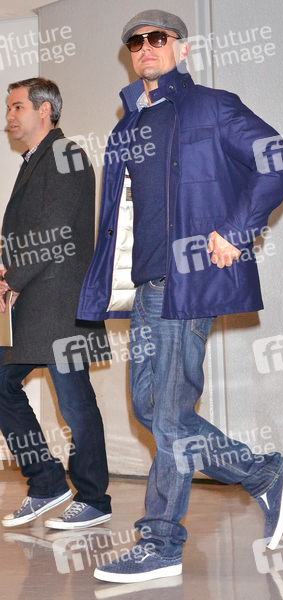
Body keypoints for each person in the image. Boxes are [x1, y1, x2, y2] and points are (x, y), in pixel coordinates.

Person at [77, 10, 283, 583]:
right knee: (151, 409)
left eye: (158, 38)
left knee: (170, 414)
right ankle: (260, 471)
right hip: (146, 284)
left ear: (182, 48)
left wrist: (238, 229)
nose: (145, 47)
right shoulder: (127, 125)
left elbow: (277, 158)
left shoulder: (213, 107)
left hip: (188, 279)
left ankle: (160, 541)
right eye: (136, 42)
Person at [0, 77, 112, 530]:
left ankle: (93, 498)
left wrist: (11, 279)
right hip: (35, 304)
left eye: (17, 107)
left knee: (75, 401)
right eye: (8, 108)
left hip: (61, 303)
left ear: (44, 110)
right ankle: (46, 481)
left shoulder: (65, 154)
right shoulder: (36, 160)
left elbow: (56, 229)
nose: (9, 116)